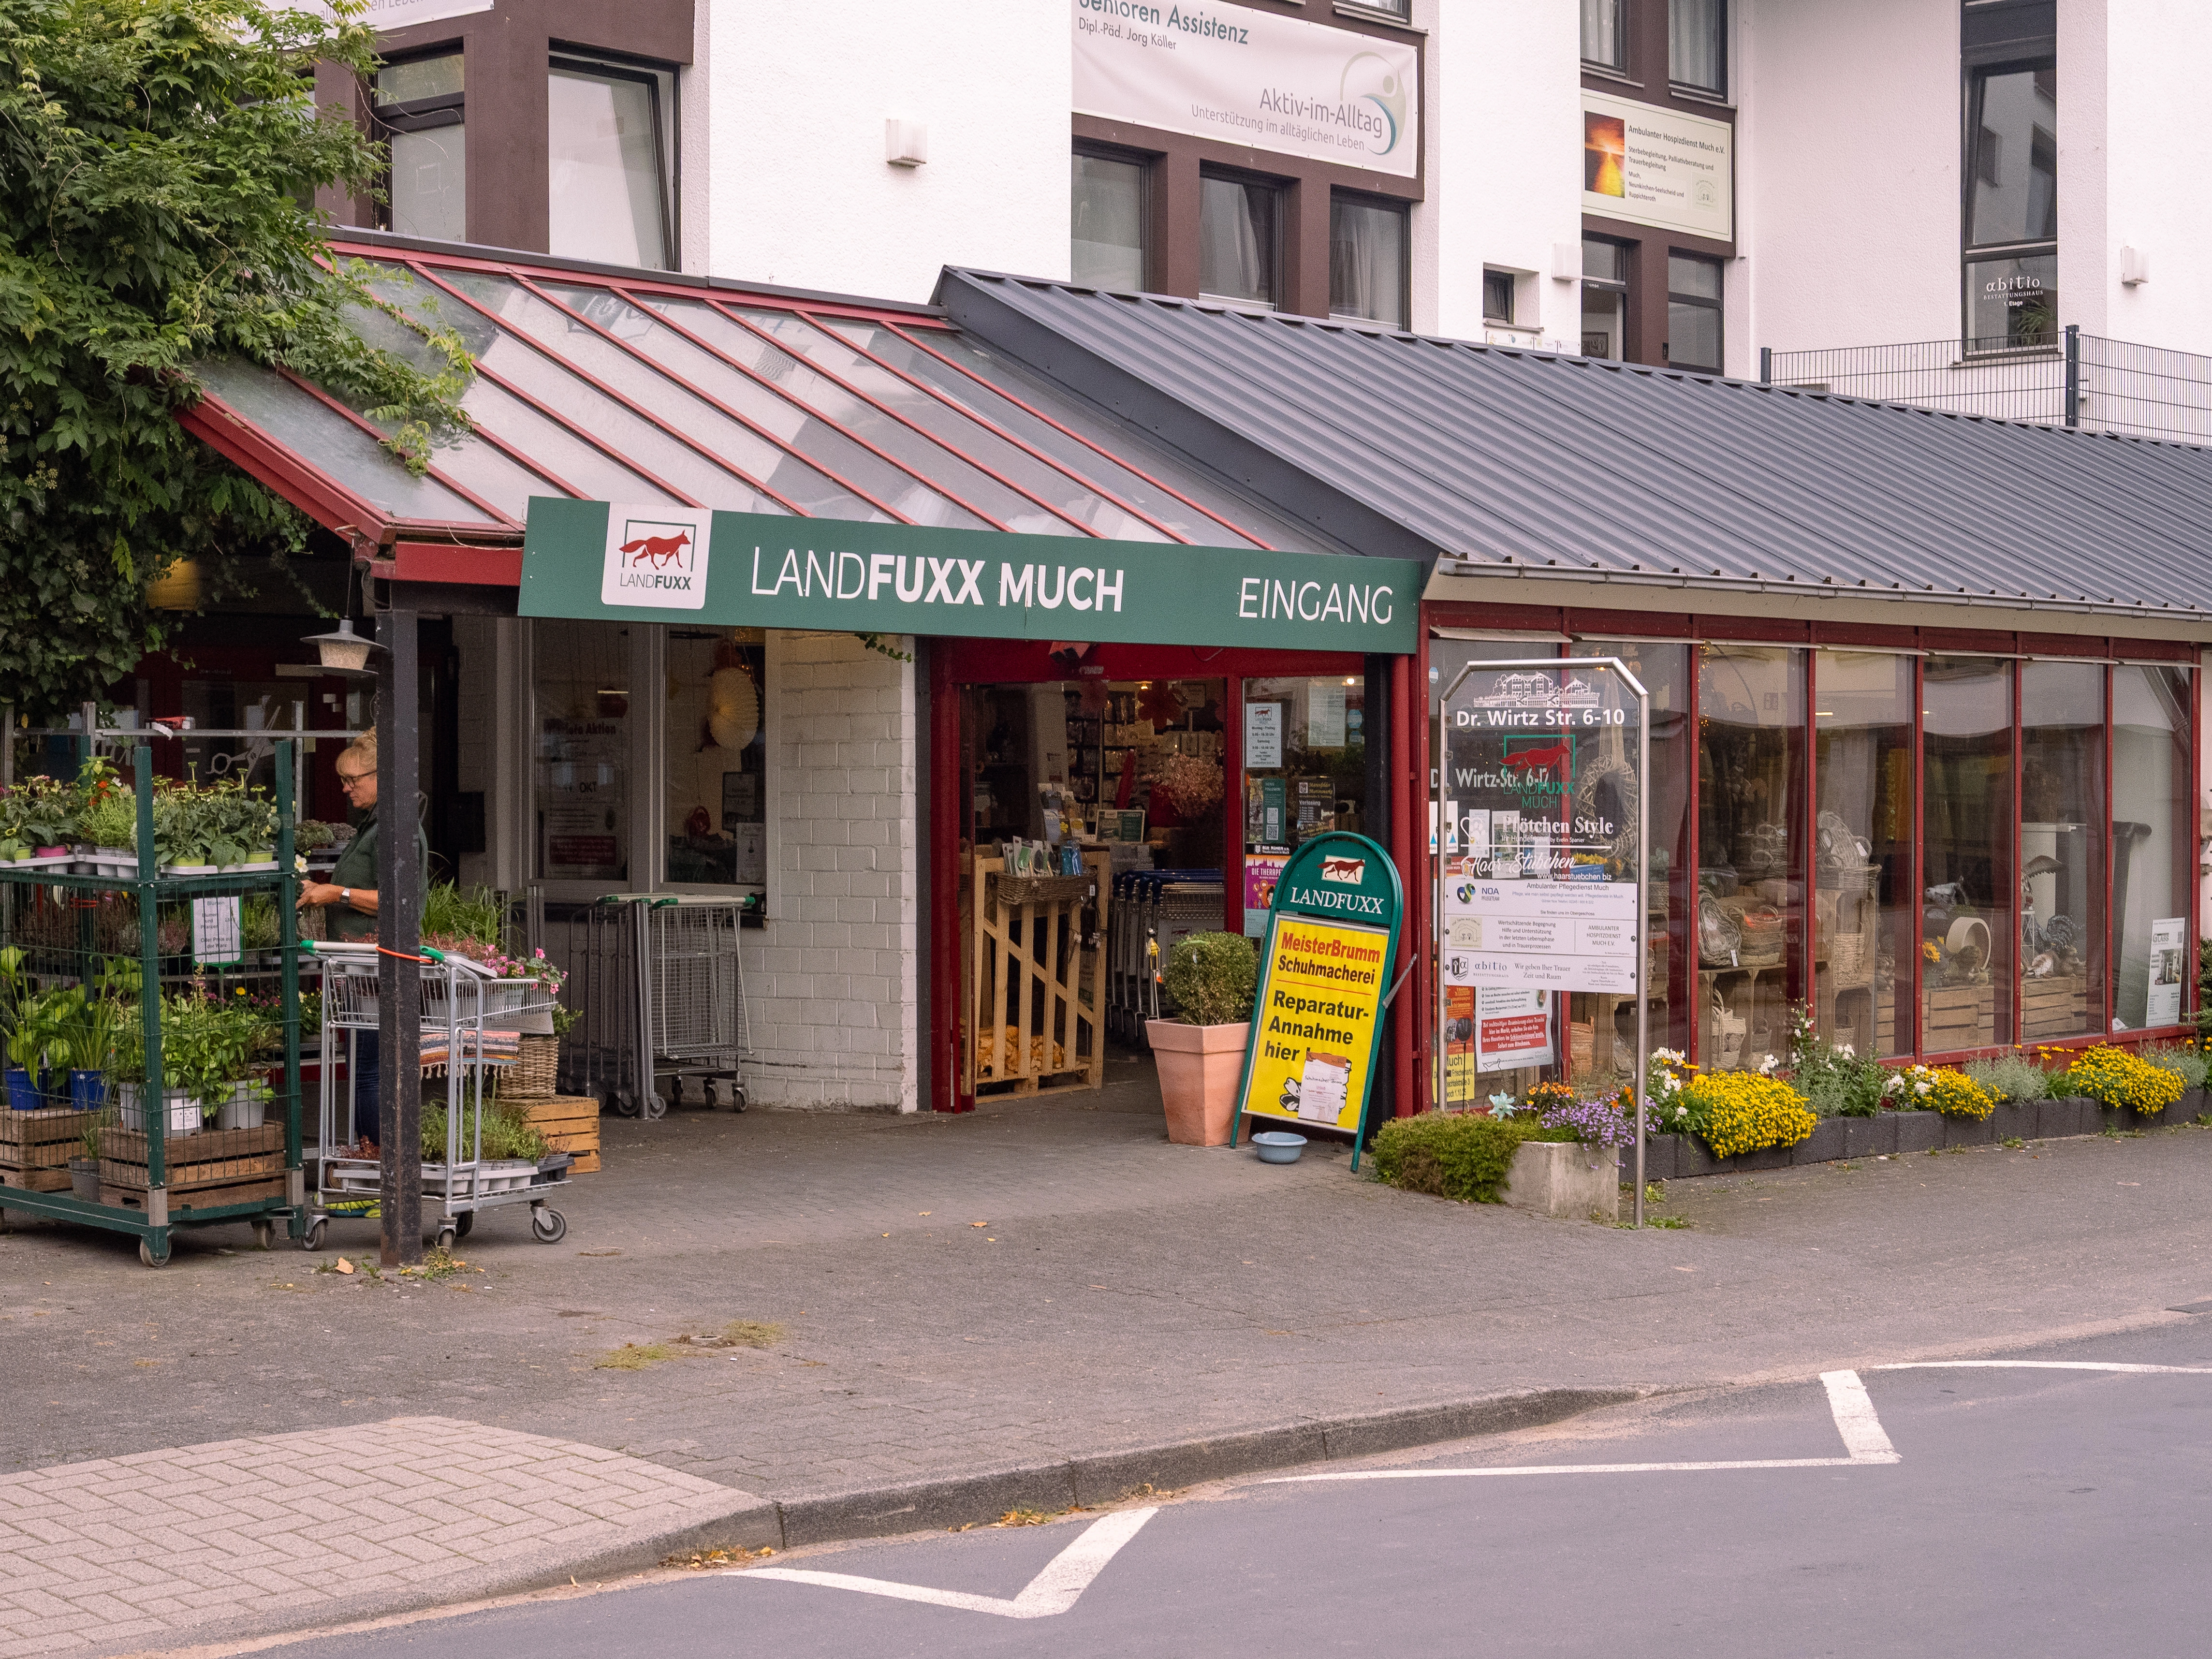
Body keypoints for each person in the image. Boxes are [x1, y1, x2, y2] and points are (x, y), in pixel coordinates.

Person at [296, 729, 427, 1151]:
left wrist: (335, 893)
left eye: (354, 779)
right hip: (359, 970)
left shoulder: (393, 831)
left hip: (379, 969)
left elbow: (401, 904)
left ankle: (378, 1166)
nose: (345, 787)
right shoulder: (370, 828)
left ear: (382, 776)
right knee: (363, 1069)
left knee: (370, 1071)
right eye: (343, 780)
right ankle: (373, 1161)